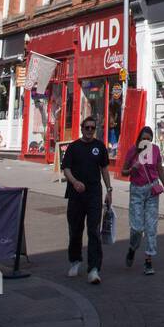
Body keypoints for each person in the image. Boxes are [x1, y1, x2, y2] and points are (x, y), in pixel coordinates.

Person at [62, 117, 112, 284]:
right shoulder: (74, 147)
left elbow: (104, 168)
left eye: (92, 128)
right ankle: (75, 261)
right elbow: (66, 168)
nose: (90, 130)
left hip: (94, 194)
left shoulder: (99, 147)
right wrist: (74, 182)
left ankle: (94, 269)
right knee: (75, 229)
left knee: (93, 230)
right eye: (87, 128)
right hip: (76, 194)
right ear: (81, 128)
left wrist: (109, 189)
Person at [121, 125, 164, 275]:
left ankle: (148, 260)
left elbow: (160, 170)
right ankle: (132, 248)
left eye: (149, 139)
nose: (146, 142)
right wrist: (132, 170)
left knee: (151, 227)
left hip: (152, 190)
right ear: (139, 139)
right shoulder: (133, 151)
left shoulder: (155, 150)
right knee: (137, 227)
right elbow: (123, 172)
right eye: (144, 139)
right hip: (137, 190)